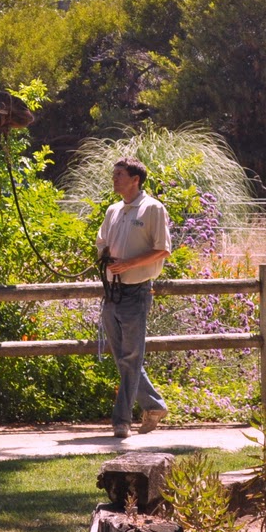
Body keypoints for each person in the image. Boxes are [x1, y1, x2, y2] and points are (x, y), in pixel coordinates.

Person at [96, 156, 171, 439]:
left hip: (136, 291)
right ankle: (153, 406)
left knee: (130, 358)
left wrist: (128, 264)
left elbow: (163, 250)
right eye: (114, 173)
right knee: (123, 358)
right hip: (112, 292)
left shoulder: (153, 209)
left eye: (119, 174)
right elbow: (102, 240)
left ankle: (121, 420)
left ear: (135, 179)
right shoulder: (113, 210)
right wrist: (106, 255)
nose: (114, 178)